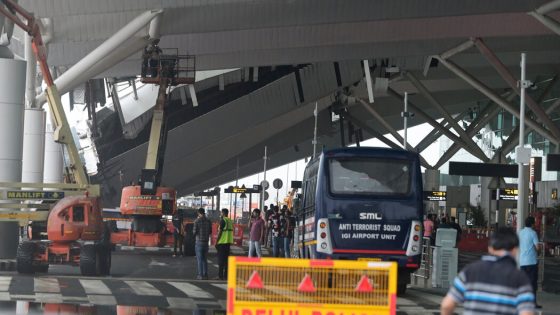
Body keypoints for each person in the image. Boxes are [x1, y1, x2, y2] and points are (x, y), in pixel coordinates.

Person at [441, 227, 535, 315]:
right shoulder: (520, 278)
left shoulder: (469, 271)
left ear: (490, 248)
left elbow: (446, 306)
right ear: (515, 250)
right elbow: (527, 313)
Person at [519, 216, 541, 308]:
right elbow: (538, 247)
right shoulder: (533, 233)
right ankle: (533, 303)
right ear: (532, 224)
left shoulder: (520, 233)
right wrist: (538, 253)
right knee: (532, 283)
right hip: (531, 262)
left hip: (522, 262)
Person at [192, 208, 212, 280]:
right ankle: (205, 274)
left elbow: (194, 232)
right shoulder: (209, 221)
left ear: (198, 213)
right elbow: (210, 231)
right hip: (206, 242)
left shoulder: (197, 221)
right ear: (204, 212)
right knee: (205, 259)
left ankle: (200, 275)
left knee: (199, 260)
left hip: (199, 242)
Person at [215, 209, 233, 280]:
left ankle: (220, 276)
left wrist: (217, 241)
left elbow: (220, 232)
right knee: (226, 261)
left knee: (221, 260)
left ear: (223, 213)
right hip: (228, 242)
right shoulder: (230, 221)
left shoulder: (223, 220)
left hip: (222, 242)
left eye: (221, 213)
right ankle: (226, 276)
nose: (220, 214)